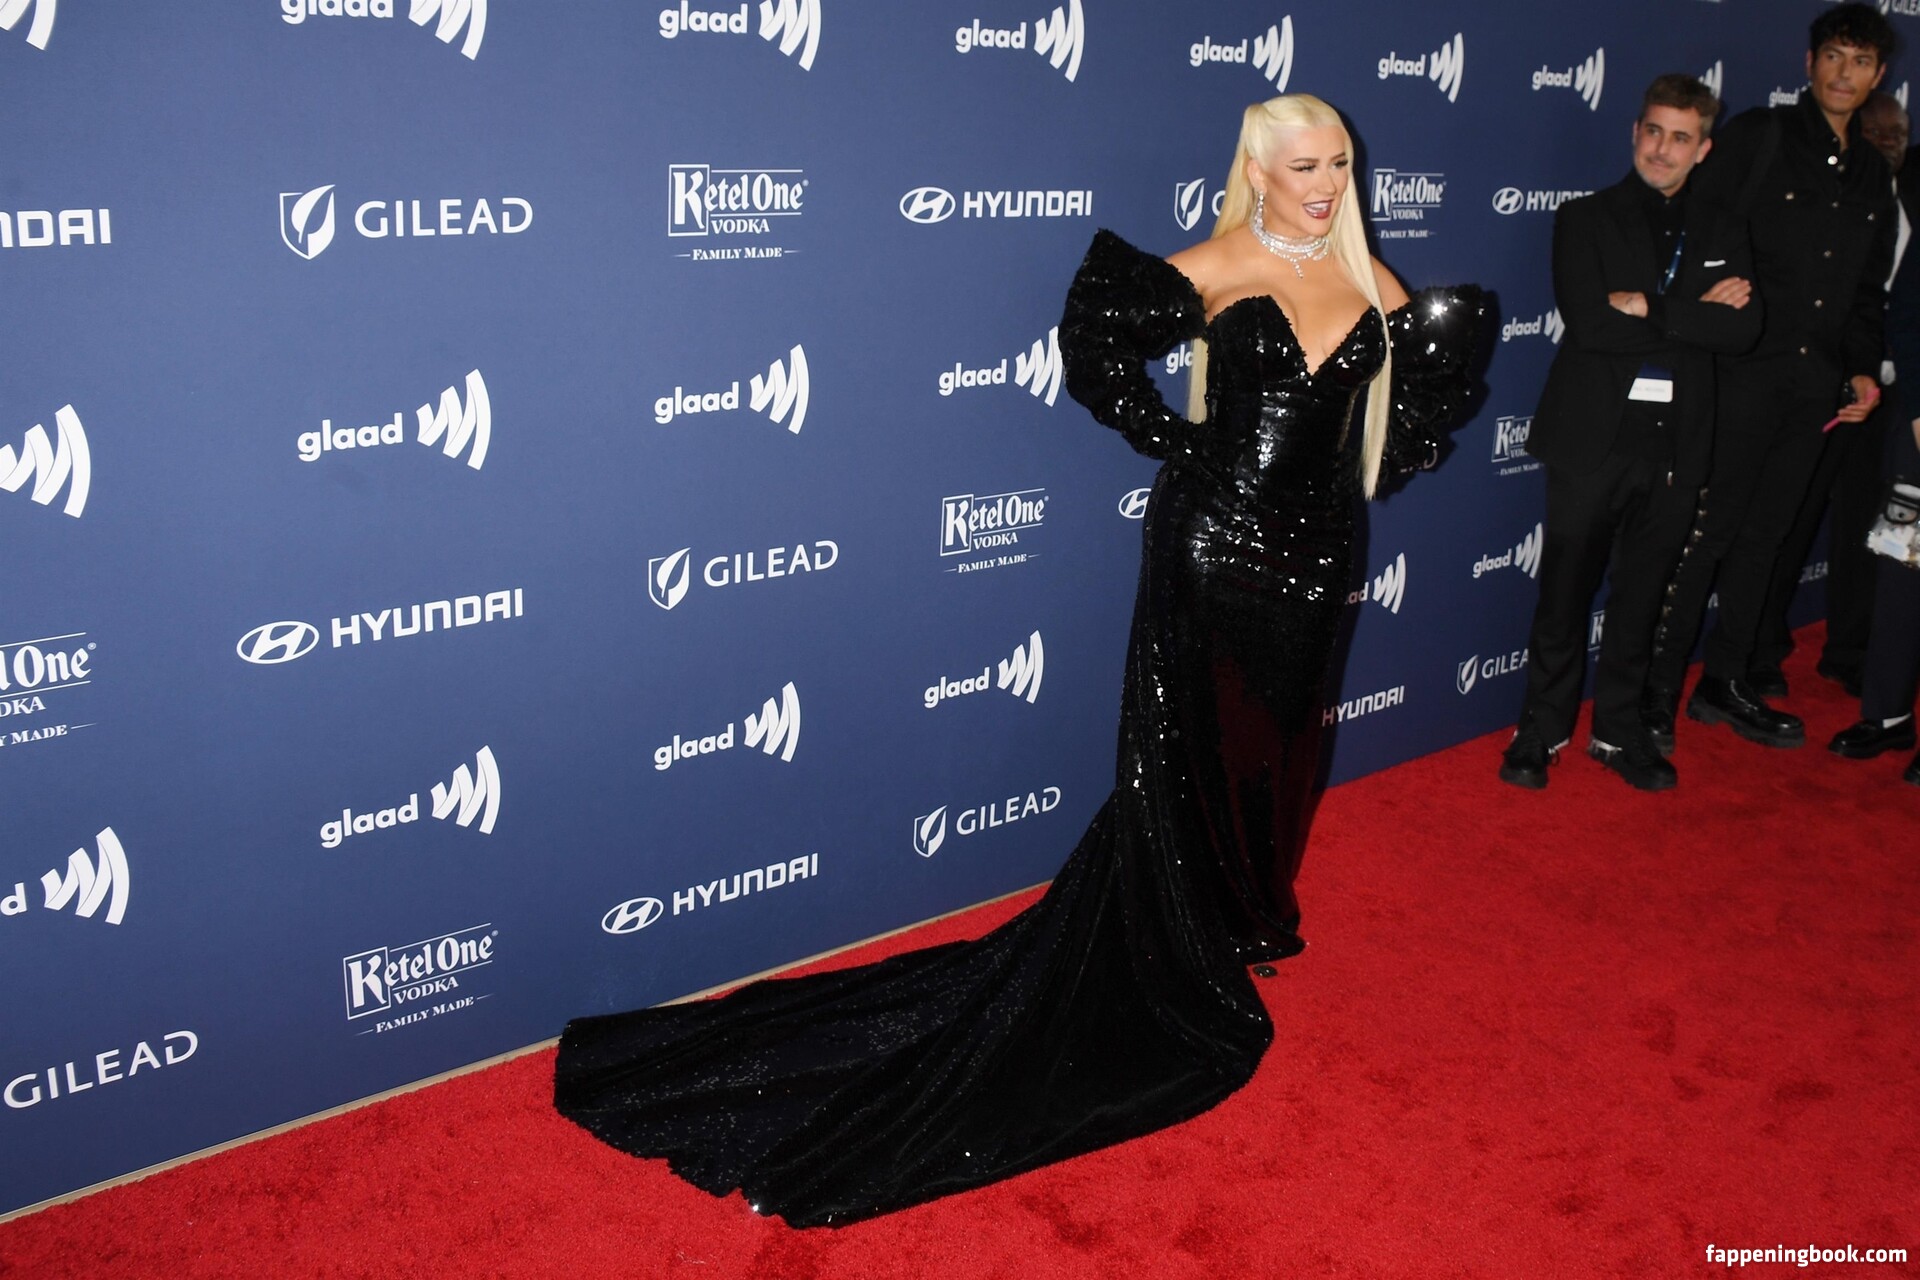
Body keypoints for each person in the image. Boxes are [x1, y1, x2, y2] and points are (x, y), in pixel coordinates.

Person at [551, 95, 1482, 1228]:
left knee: (1283, 743)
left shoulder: (1370, 276)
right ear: (1256, 170)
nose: (1325, 184)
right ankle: (1185, 931)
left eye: (1337, 163)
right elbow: (1095, 344)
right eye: (1303, 167)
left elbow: (1422, 396)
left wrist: (1397, 442)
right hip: (1215, 544)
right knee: (1197, 734)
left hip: (1320, 549)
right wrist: (1181, 443)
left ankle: (1245, 914)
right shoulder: (1221, 263)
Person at [1499, 74, 1760, 793]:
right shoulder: (1583, 218)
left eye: (1680, 137)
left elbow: (1742, 330)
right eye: (1653, 131)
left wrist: (1650, 306)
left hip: (1677, 444)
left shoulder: (1725, 226)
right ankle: (1540, 730)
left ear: (1703, 149)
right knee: (1564, 595)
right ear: (1634, 133)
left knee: (1643, 599)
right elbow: (1589, 324)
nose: (1662, 148)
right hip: (1592, 439)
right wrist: (1694, 315)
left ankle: (1618, 732)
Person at [1648, 3, 1898, 750]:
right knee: (1708, 534)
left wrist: (1861, 370)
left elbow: (1864, 290)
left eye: (1860, 61)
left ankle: (1725, 681)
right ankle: (1655, 694)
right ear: (1810, 62)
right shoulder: (1762, 135)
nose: (1844, 73)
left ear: (1879, 75)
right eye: (1834, 56)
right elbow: (1696, 220)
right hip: (1741, 373)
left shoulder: (1872, 173)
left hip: (1813, 386)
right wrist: (1713, 292)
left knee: (1767, 537)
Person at [1750, 90, 1911, 699]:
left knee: (1867, 529)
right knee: (1789, 520)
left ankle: (1849, 651)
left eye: (1898, 133)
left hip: (1891, 395)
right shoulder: (1825, 199)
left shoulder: (1907, 197)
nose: (1887, 142)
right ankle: (1760, 649)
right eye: (1875, 133)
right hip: (1828, 382)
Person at [1829, 111, 1920, 785]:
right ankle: (1887, 716)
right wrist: (1916, 409)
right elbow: (1907, 311)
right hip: (1917, 436)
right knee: (1901, 568)